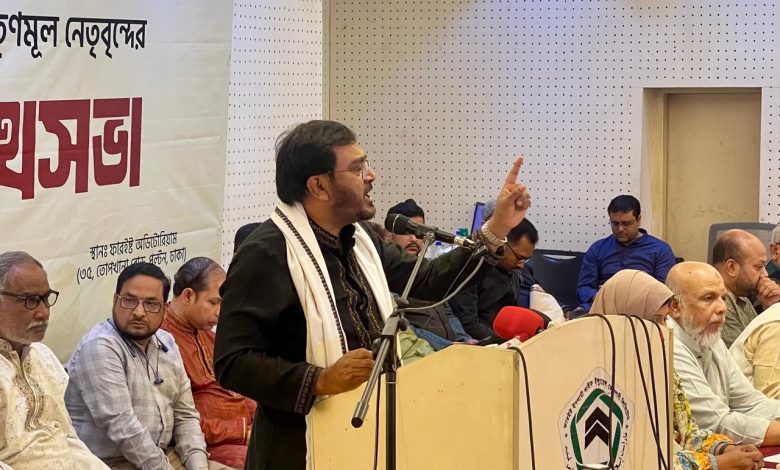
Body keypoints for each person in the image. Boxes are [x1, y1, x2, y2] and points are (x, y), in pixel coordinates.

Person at [213, 120, 531, 470]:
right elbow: (232, 362)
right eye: (357, 167)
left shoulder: (362, 240)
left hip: (373, 436)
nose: (371, 175)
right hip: (295, 450)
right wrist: (319, 379)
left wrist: (497, 227)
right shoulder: (267, 254)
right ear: (319, 186)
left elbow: (428, 280)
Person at [590, 269, 763, 470]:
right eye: (654, 321)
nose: (664, 332)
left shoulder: (657, 368)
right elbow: (634, 460)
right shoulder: (595, 382)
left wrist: (724, 448)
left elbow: (686, 433)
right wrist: (716, 463)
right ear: (620, 322)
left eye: (665, 320)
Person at [65, 263, 220, 470]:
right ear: (115, 300)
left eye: (151, 304)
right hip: (110, 463)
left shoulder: (167, 342)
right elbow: (125, 430)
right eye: (129, 301)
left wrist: (199, 467)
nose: (139, 312)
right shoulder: (100, 346)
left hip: (163, 455)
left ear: (164, 309)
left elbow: (186, 416)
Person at [0, 251, 108, 469]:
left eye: (46, 298)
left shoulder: (43, 357)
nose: (43, 312)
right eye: (30, 300)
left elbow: (67, 435)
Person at [667, 261, 780, 446]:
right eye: (708, 298)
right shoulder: (670, 346)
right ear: (675, 306)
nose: (722, 308)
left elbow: (751, 404)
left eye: (723, 298)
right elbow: (716, 423)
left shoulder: (709, 337)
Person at [161, 258, 256, 469]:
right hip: (210, 444)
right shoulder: (162, 343)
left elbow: (239, 385)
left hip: (245, 432)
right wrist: (241, 431)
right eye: (213, 303)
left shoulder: (207, 334)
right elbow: (179, 422)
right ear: (187, 296)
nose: (220, 312)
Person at [384, 198, 475, 350]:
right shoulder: (387, 275)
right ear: (388, 235)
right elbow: (403, 328)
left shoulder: (429, 269)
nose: (414, 238)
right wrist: (448, 347)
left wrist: (465, 339)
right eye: (407, 232)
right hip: (421, 355)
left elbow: (447, 313)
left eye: (418, 232)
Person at [576, 195, 676, 312]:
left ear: (639, 220)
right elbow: (584, 288)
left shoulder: (660, 250)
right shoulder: (598, 248)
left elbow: (665, 293)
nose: (620, 229)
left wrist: (627, 301)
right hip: (603, 306)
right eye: (615, 223)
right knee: (577, 314)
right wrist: (602, 298)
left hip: (643, 309)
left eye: (626, 223)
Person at [449, 217, 538, 339]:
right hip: (480, 344)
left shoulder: (511, 271)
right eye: (519, 258)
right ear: (502, 243)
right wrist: (504, 344)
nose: (521, 265)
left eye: (525, 260)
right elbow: (468, 324)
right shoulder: (470, 269)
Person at [712, 229, 780, 347]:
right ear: (731, 267)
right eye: (758, 266)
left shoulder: (743, 298)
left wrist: (770, 308)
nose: (765, 274)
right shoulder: (718, 302)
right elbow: (746, 354)